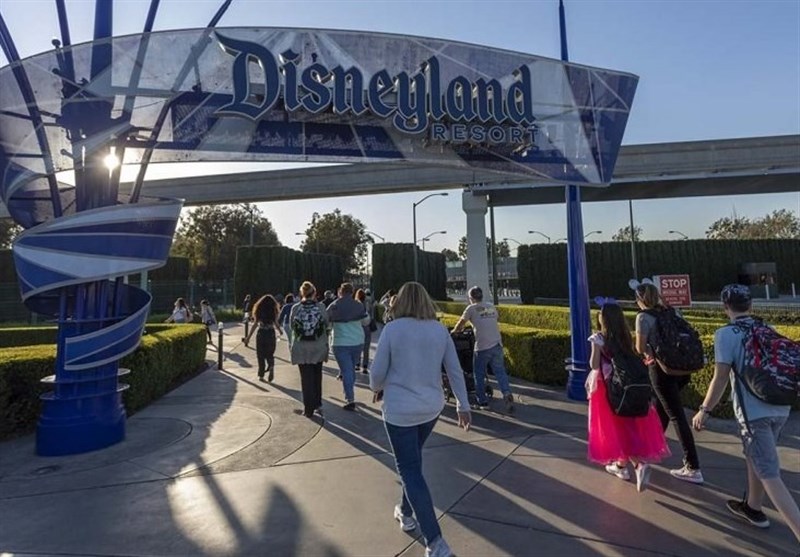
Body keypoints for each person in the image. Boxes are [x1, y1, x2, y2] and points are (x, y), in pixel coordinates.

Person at [369, 282, 471, 557]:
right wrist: (463, 404)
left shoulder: (393, 329)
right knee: (412, 464)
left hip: (400, 410)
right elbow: (454, 370)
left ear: (400, 302)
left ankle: (435, 541)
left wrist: (377, 387)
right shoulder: (438, 330)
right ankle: (405, 511)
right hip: (431, 408)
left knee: (409, 468)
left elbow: (376, 375)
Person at [692, 285, 800, 543]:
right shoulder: (766, 329)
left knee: (769, 472)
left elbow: (720, 377)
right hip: (780, 407)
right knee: (756, 456)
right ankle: (753, 507)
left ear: (725, 307)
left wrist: (704, 410)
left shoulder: (725, 334)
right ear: (750, 305)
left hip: (754, 413)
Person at [587, 301, 671, 493]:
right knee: (629, 426)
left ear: (603, 319)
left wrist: (596, 346)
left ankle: (639, 464)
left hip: (610, 389)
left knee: (618, 430)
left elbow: (594, 365)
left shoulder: (599, 338)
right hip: (631, 387)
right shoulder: (625, 338)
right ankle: (620, 467)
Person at [634, 282, 704, 484]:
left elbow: (640, 348)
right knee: (662, 410)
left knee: (675, 415)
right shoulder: (671, 312)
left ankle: (693, 466)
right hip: (681, 369)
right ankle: (650, 450)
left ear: (639, 299)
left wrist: (649, 351)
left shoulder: (643, 317)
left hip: (661, 369)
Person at [451, 286, 514, 413]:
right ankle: (506, 393)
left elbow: (460, 324)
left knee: (478, 374)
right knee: (500, 372)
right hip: (497, 344)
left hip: (482, 346)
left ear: (471, 298)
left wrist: (453, 332)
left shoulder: (471, 308)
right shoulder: (490, 306)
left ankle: (483, 402)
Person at [289, 281, 330, 418]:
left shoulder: (296, 308)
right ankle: (318, 404)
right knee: (317, 375)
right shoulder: (321, 307)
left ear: (302, 293)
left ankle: (308, 409)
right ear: (314, 293)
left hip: (301, 347)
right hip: (318, 346)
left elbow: (292, 326)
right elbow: (326, 324)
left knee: (306, 378)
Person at [327, 282, 370, 410]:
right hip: (357, 342)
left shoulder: (334, 306)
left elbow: (328, 324)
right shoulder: (358, 305)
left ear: (340, 291)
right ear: (352, 292)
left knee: (346, 371)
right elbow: (366, 321)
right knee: (350, 369)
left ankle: (350, 399)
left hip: (340, 342)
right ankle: (349, 389)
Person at [244, 294, 282, 382]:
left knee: (260, 354)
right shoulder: (273, 311)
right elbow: (276, 323)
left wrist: (248, 337)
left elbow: (255, 324)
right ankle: (271, 365)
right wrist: (280, 331)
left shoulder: (259, 310)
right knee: (270, 353)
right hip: (271, 333)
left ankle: (261, 374)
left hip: (261, 333)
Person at [355, 288, 373, 373]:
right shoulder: (368, 302)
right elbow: (372, 314)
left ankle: (357, 364)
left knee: (358, 345)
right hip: (367, 326)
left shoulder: (356, 304)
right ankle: (365, 366)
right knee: (366, 347)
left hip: (358, 326)